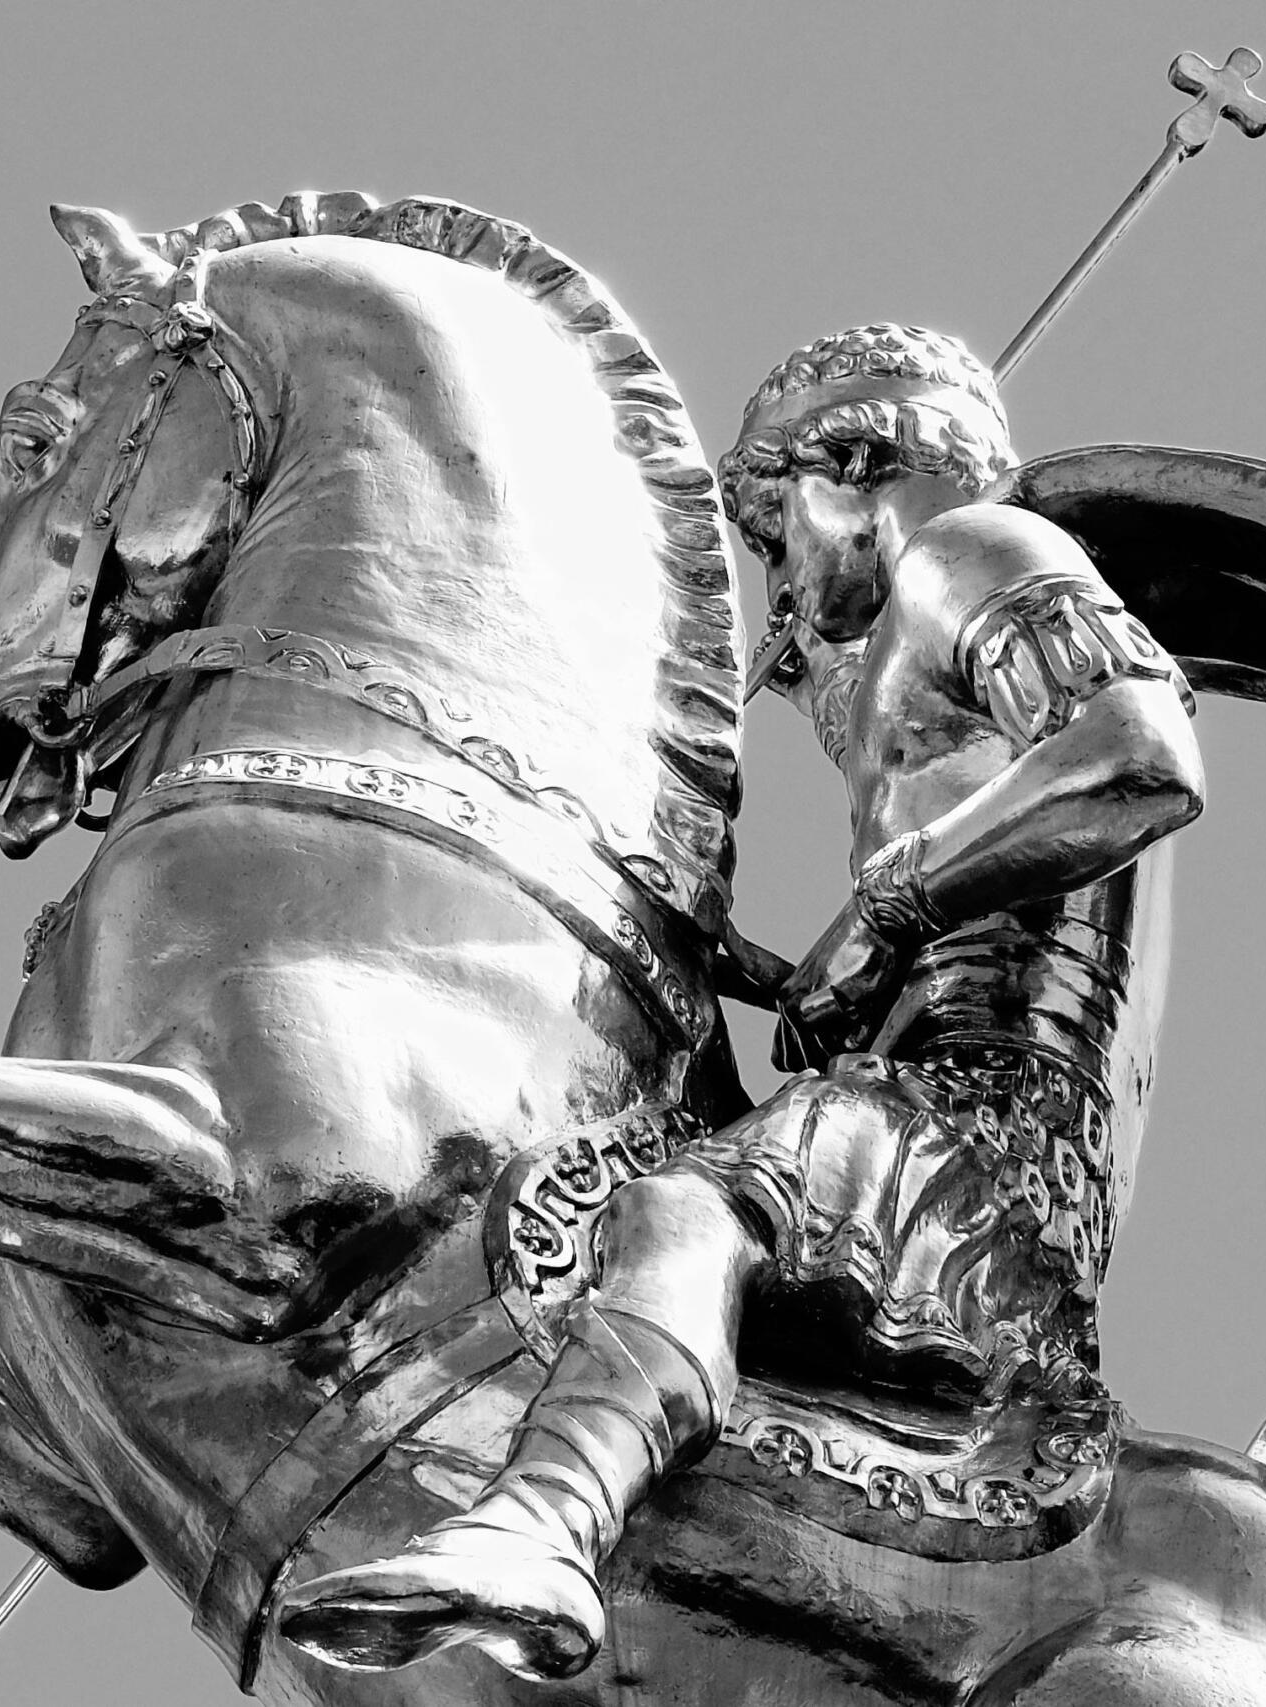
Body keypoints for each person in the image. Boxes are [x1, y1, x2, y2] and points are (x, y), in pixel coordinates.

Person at [276, 325, 1206, 1682]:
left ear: (858, 466)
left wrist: (877, 916)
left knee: (680, 1211)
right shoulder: (928, 638)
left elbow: (1140, 754)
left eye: (779, 534)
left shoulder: (973, 556)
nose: (786, 585)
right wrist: (790, 965)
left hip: (982, 1128)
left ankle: (540, 1528)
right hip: (918, 1097)